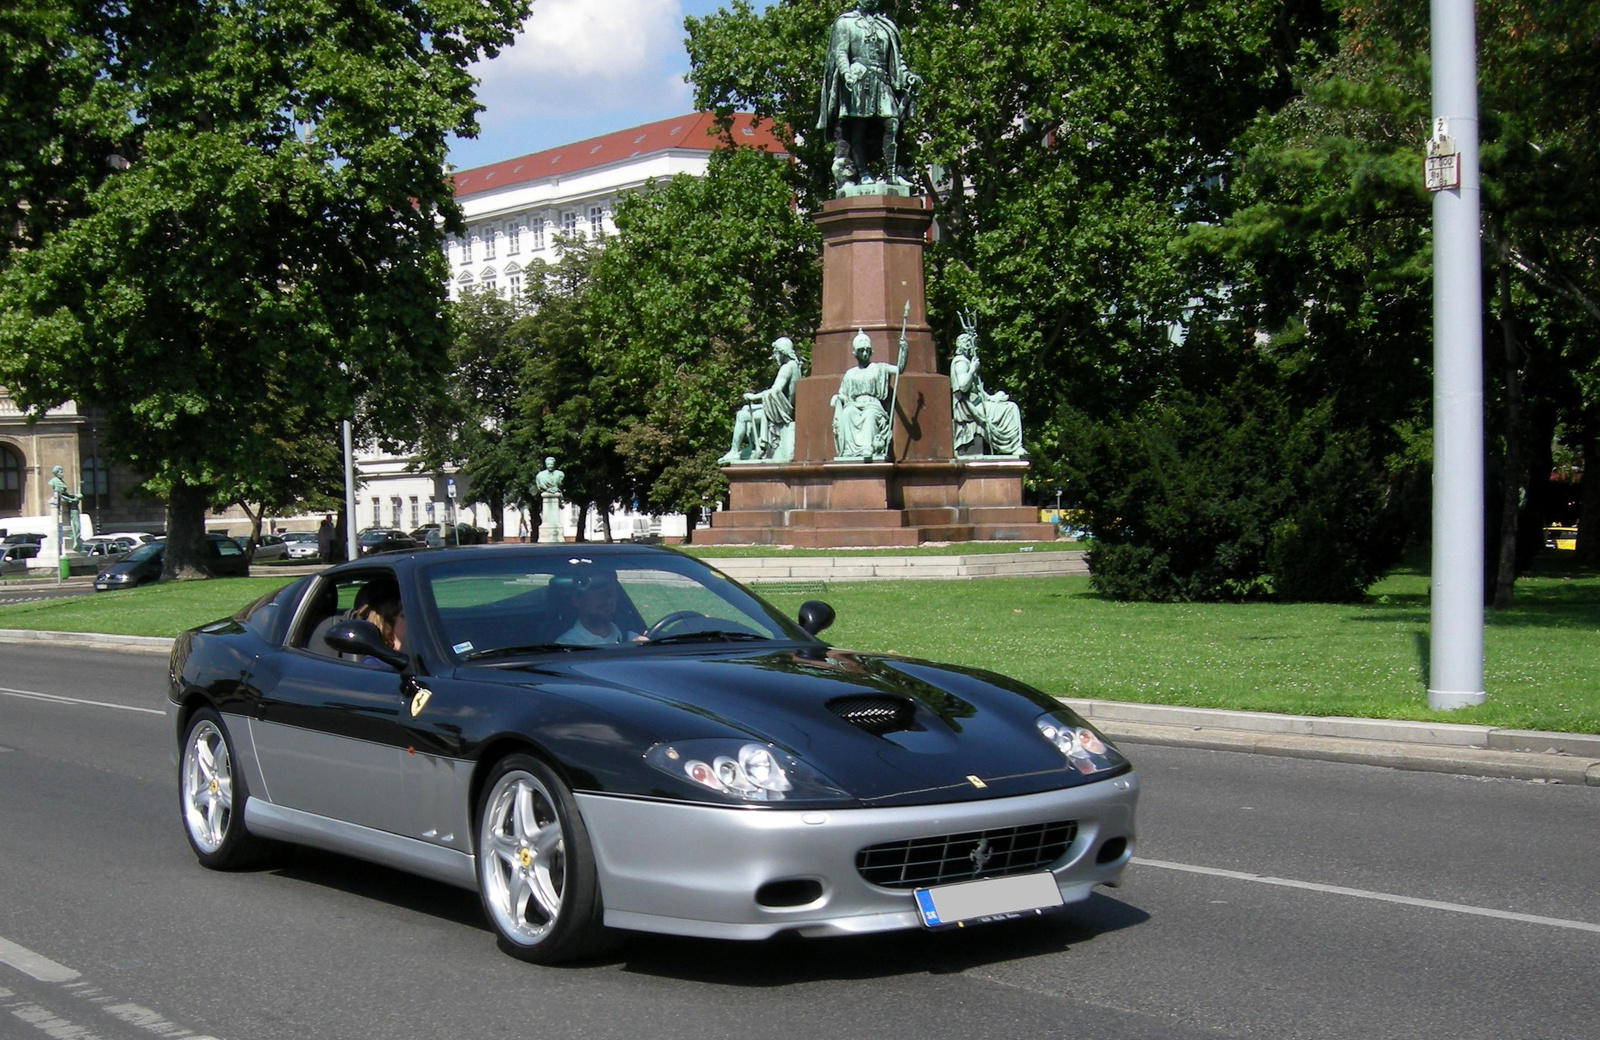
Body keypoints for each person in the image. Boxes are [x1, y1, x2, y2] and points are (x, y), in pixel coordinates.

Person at [816, 0, 922, 193]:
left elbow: (897, 61)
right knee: (859, 127)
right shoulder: (845, 22)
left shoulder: (886, 25)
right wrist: (846, 73)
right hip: (858, 78)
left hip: (882, 80)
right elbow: (840, 52)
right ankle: (862, 172)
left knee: (892, 123)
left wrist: (908, 76)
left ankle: (892, 173)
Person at [949, 315, 1024, 456]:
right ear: (965, 345)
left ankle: (1016, 446)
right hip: (970, 407)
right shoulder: (961, 362)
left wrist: (994, 397)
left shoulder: (967, 361)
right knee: (1010, 409)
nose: (974, 347)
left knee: (1010, 406)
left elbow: (979, 392)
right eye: (972, 344)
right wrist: (972, 368)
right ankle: (1014, 447)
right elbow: (963, 386)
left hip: (979, 402)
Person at [719, 337, 801, 464]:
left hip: (781, 411)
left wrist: (753, 397)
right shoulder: (795, 365)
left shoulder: (786, 368)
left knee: (742, 415)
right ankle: (752, 446)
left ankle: (734, 451)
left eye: (776, 353)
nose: (775, 356)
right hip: (783, 407)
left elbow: (775, 391)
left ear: (782, 352)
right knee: (746, 409)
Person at [831, 328, 906, 460]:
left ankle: (867, 448)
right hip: (854, 404)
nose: (865, 353)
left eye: (867, 350)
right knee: (848, 413)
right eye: (861, 350)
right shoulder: (850, 373)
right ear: (855, 353)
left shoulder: (879, 368)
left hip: (872, 404)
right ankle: (849, 450)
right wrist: (837, 397)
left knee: (869, 415)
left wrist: (904, 351)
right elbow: (844, 394)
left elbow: (898, 369)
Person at [556, 572, 640, 645]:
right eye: (599, 593)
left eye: (611, 592)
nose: (609, 599)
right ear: (576, 601)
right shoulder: (566, 646)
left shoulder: (630, 638)